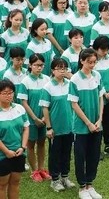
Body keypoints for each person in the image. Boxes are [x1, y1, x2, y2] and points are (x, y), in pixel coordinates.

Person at [68, 48, 104, 199]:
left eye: (94, 62)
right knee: (81, 155)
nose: (92, 65)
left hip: (97, 124)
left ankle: (90, 183)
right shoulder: (75, 79)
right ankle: (82, 186)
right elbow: (74, 105)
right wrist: (88, 123)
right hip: (82, 126)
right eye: (89, 62)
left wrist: (100, 119)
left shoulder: (97, 75)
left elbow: (101, 97)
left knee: (94, 155)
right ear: (82, 61)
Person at [40, 58, 75, 192]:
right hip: (55, 128)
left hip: (69, 126)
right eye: (59, 68)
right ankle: (55, 179)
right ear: (53, 70)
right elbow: (45, 108)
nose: (62, 71)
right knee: (55, 154)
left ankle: (65, 177)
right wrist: (49, 127)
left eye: (64, 68)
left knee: (66, 153)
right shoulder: (48, 87)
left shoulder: (70, 84)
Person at [17, 53, 50, 182]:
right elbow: (24, 102)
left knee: (41, 143)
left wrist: (43, 118)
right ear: (30, 65)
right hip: (31, 120)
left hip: (43, 119)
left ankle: (42, 169)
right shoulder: (25, 82)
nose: (39, 67)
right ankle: (34, 170)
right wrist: (35, 118)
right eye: (36, 65)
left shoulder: (47, 79)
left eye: (41, 65)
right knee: (30, 145)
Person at [0, 78, 28, 199]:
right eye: (5, 93)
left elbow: (26, 127)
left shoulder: (19, 108)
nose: (8, 96)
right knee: (2, 184)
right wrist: (6, 152)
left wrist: (23, 147)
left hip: (18, 152)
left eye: (11, 92)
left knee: (15, 182)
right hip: (2, 155)